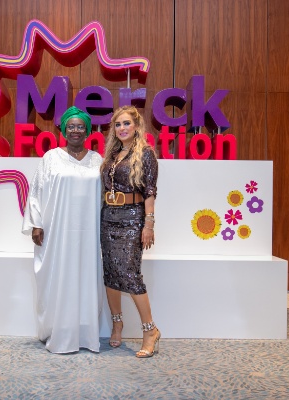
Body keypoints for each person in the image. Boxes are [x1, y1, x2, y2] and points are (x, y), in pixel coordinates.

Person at [22, 106, 103, 353]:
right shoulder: (51, 157)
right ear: (64, 130)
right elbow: (35, 191)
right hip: (57, 232)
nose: (76, 130)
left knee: (86, 277)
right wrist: (36, 224)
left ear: (87, 131)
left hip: (89, 234)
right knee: (58, 277)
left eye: (80, 126)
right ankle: (57, 330)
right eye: (71, 126)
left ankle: (85, 333)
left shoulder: (97, 160)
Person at [100, 105, 161, 358]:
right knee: (111, 273)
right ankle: (117, 324)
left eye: (127, 123)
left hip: (132, 218)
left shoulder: (146, 154)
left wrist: (149, 224)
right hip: (108, 218)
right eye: (118, 124)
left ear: (136, 126)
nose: (122, 128)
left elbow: (150, 191)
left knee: (130, 274)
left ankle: (150, 330)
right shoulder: (112, 155)